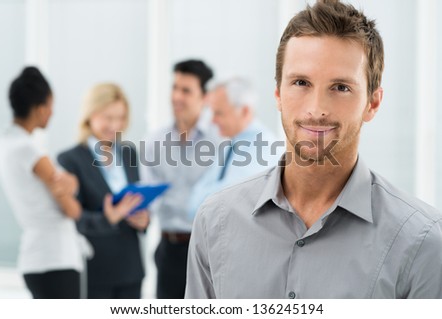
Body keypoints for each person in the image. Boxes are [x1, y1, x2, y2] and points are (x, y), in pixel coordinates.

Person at [185, 0, 442, 299]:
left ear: (373, 103)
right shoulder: (215, 221)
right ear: (278, 94)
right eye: (301, 82)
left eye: (341, 87)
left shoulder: (422, 242)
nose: (317, 109)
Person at [0, 66, 89, 298]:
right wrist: (73, 187)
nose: (52, 112)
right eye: (50, 105)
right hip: (56, 259)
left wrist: (72, 183)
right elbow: (72, 209)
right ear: (39, 109)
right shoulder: (30, 150)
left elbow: (64, 187)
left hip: (35, 259)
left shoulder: (5, 144)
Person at [58, 83, 149, 299]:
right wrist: (108, 218)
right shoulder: (70, 159)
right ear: (90, 115)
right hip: (95, 271)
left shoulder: (128, 153)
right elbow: (73, 218)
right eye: (108, 117)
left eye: (121, 118)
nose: (115, 125)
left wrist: (144, 221)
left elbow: (137, 198)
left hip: (131, 269)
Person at [143, 59, 219, 298]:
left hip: (211, 249)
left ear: (204, 97)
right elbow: (150, 194)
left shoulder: (221, 140)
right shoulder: (154, 141)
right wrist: (141, 213)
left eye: (186, 90)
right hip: (170, 250)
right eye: (175, 88)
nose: (177, 96)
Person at [188, 78, 283, 219]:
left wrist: (204, 200)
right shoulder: (229, 147)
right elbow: (194, 204)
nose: (212, 120)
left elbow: (228, 203)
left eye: (219, 113)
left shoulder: (265, 147)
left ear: (244, 111)